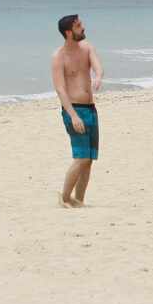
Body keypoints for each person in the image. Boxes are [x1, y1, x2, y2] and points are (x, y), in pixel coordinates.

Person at [51, 14, 102, 208]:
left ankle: (79, 200)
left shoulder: (87, 48)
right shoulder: (58, 57)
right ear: (68, 32)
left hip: (91, 109)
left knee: (89, 160)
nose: (83, 27)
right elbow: (60, 89)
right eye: (79, 25)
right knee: (81, 158)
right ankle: (64, 198)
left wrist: (98, 76)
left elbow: (98, 66)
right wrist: (73, 115)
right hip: (74, 110)